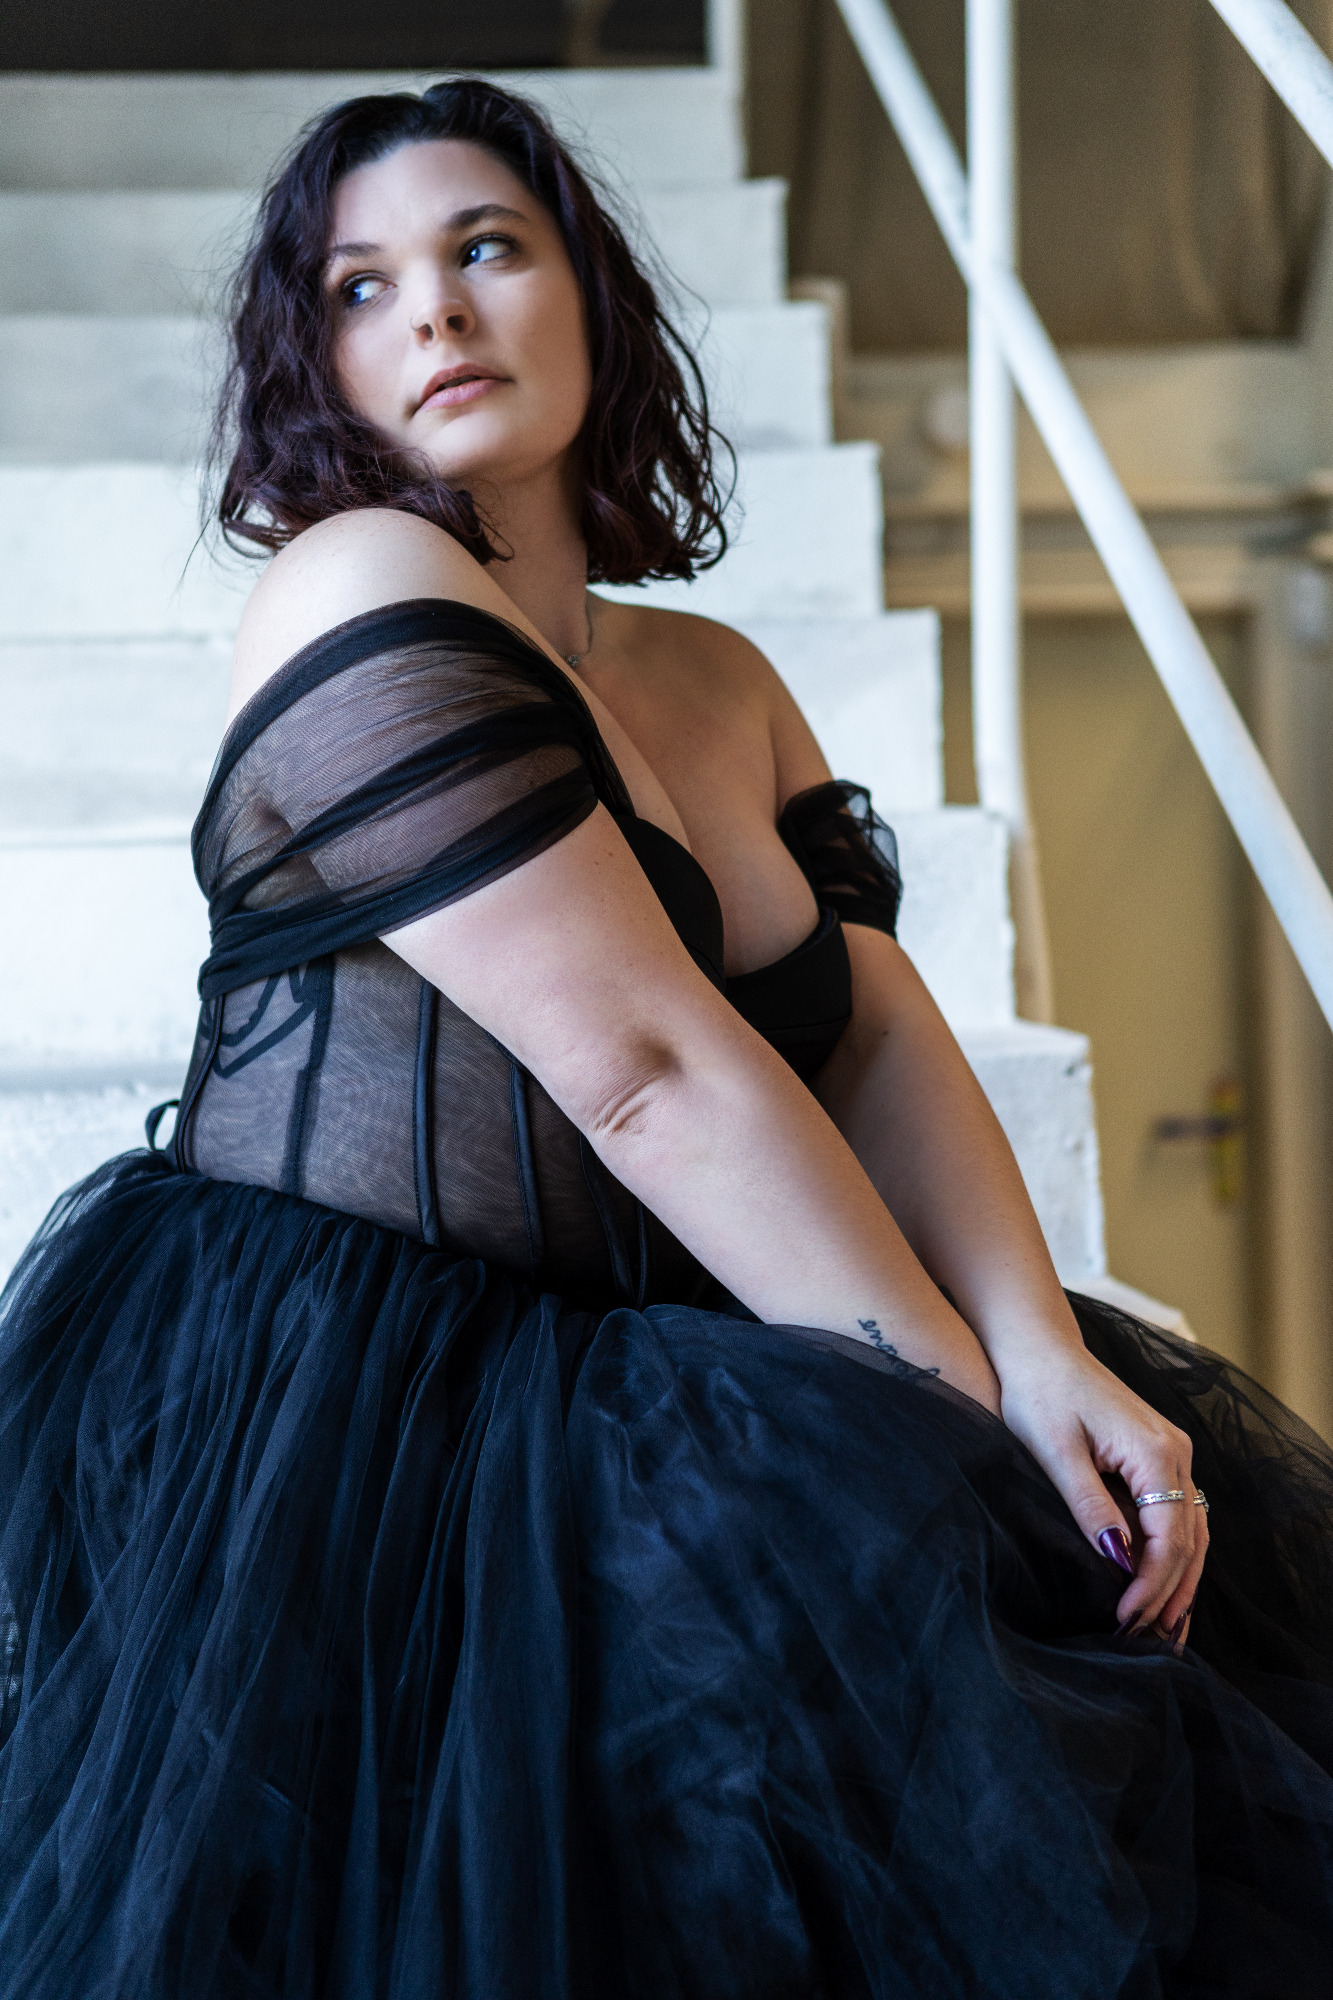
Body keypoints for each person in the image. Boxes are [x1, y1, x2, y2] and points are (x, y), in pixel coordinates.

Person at [1, 76, 1331, 2000]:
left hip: (669, 1323)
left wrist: (1038, 1349)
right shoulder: (356, 584)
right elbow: (644, 1071)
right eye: (361, 287)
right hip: (369, 1395)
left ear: (589, 295)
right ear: (318, 362)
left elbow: (862, 1033)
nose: (434, 308)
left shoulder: (716, 675)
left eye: (485, 248)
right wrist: (952, 1421)